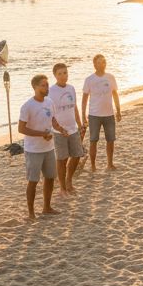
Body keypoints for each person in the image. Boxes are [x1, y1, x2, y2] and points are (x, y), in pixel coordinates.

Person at [18, 74, 59, 218]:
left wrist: (61, 129)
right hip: (33, 149)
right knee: (33, 181)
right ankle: (31, 213)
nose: (46, 87)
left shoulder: (49, 102)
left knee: (50, 178)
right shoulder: (27, 106)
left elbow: (52, 119)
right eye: (43, 85)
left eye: (47, 85)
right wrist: (41, 134)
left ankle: (47, 207)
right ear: (34, 87)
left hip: (49, 147)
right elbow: (21, 129)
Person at [81, 54, 122, 171]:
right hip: (94, 115)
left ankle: (110, 164)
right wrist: (83, 115)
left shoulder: (110, 77)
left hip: (109, 114)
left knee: (111, 140)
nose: (102, 64)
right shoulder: (89, 79)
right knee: (93, 140)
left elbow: (115, 94)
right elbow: (84, 98)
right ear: (94, 64)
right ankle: (93, 166)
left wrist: (118, 111)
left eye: (104, 62)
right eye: (99, 62)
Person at [49, 63, 84, 195]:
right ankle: (62, 187)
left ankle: (69, 180)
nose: (63, 76)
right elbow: (50, 113)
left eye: (65, 73)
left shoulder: (71, 88)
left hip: (73, 128)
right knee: (62, 159)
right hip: (59, 131)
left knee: (76, 155)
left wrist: (80, 124)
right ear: (55, 75)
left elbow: (74, 107)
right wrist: (58, 128)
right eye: (60, 74)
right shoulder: (51, 91)